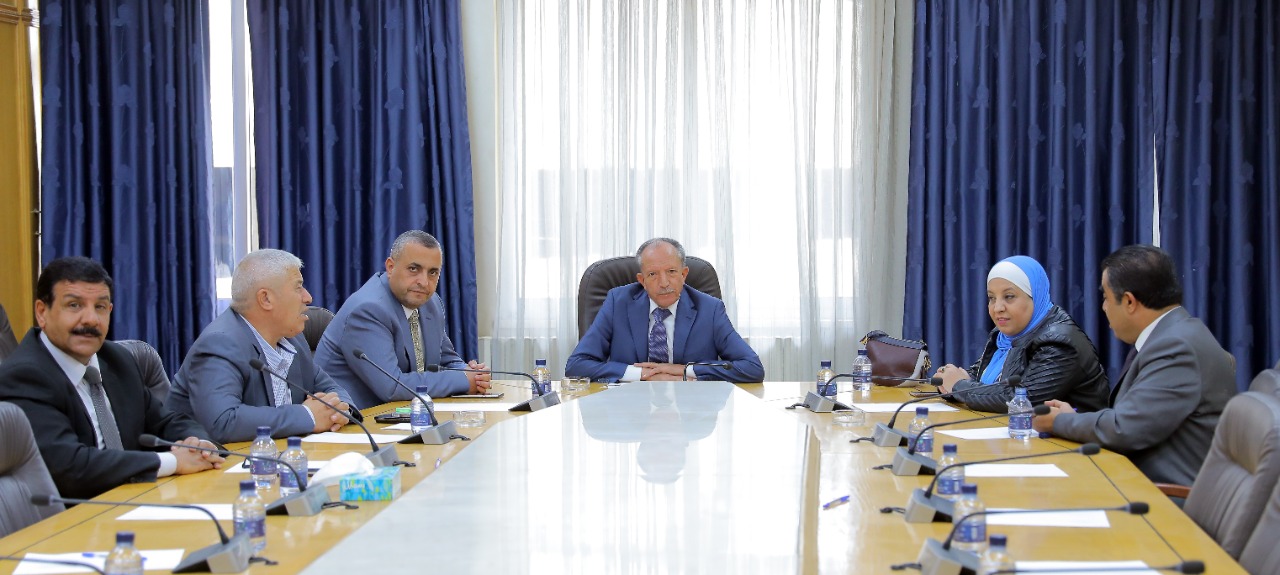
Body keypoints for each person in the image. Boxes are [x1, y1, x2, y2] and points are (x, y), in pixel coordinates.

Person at [0, 257, 223, 499]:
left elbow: (166, 422)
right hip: (78, 513)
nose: (90, 319)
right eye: (74, 305)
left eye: (100, 307)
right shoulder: (24, 376)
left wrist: (199, 445)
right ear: (42, 312)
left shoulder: (118, 360)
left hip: (138, 499)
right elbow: (69, 466)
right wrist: (172, 461)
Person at [1033, 245, 1236, 485]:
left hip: (1165, 495)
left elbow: (1126, 428)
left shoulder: (1176, 347)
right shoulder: (1176, 333)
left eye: (1106, 298)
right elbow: (1133, 416)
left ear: (1129, 301)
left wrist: (1058, 421)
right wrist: (1071, 417)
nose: (1103, 307)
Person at [169, 249, 357, 444]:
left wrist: (339, 410)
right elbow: (223, 421)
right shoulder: (220, 343)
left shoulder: (293, 339)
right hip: (217, 460)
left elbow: (331, 388)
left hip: (281, 455)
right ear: (266, 299)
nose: (308, 297)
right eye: (298, 287)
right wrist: (307, 416)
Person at [315, 231, 490, 407]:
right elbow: (392, 386)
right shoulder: (368, 309)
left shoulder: (430, 303)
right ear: (391, 267)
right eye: (414, 269)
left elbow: (446, 359)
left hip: (404, 413)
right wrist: (463, 380)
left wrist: (471, 373)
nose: (424, 282)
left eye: (433, 272)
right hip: (354, 418)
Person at [566, 238, 765, 383]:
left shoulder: (709, 309)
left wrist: (684, 371)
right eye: (653, 274)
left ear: (684, 274)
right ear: (642, 280)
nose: (664, 283)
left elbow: (752, 368)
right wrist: (643, 375)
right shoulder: (617, 302)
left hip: (691, 409)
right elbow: (577, 365)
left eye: (671, 272)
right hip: (629, 408)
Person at [933, 255, 1109, 413]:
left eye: (1009, 296)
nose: (997, 308)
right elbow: (978, 376)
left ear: (1035, 295)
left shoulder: (1060, 342)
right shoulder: (1003, 336)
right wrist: (948, 378)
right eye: (992, 298)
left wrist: (959, 385)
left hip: (1072, 438)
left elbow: (1022, 399)